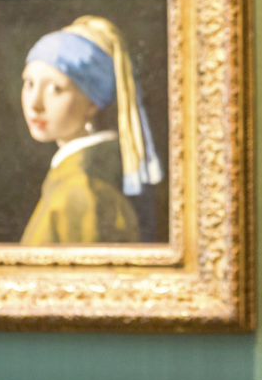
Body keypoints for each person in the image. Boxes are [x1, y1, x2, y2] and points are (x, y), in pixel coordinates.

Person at [19, 15, 162, 245]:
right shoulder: (76, 177)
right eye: (29, 84)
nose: (35, 104)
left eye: (56, 89)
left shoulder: (80, 190)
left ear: (93, 103)